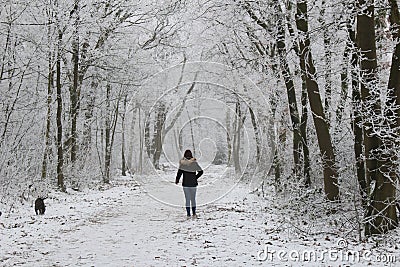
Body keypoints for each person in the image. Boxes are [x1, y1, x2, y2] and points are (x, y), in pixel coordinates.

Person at [175, 149, 203, 218]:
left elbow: (179, 173)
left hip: (185, 184)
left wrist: (177, 180)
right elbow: (201, 171)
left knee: (187, 199)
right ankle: (194, 213)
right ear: (191, 155)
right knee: (193, 198)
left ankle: (188, 214)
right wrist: (195, 177)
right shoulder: (194, 163)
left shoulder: (183, 163)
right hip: (193, 184)